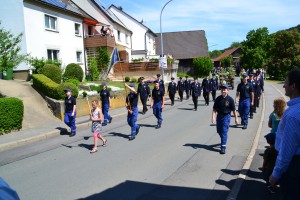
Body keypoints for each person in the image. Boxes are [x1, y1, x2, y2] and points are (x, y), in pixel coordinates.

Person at [269, 68, 300, 200]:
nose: (283, 85)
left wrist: (275, 175)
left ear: (293, 86)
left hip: (294, 167)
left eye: (286, 82)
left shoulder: (293, 114)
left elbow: (287, 150)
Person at [212, 84, 238, 154]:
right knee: (218, 130)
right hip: (219, 116)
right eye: (222, 90)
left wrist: (236, 119)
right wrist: (213, 117)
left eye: (225, 90)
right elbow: (214, 109)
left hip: (226, 117)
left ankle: (223, 147)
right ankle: (224, 138)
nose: (223, 91)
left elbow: (234, 110)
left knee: (224, 132)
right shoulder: (218, 99)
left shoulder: (230, 99)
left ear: (227, 91)